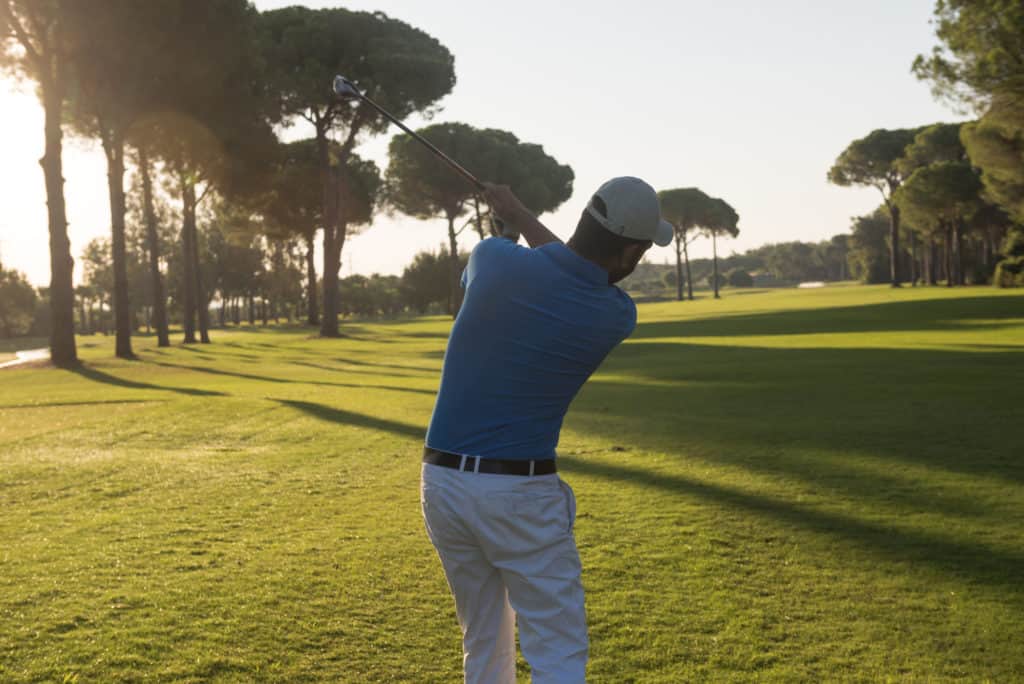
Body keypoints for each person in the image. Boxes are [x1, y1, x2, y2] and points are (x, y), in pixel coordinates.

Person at [421, 177, 673, 683]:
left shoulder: (492, 258)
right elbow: (573, 270)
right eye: (642, 250)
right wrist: (521, 213)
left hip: (442, 482)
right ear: (628, 252)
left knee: (484, 639)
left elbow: (554, 264)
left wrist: (512, 215)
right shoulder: (614, 314)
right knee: (557, 648)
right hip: (519, 495)